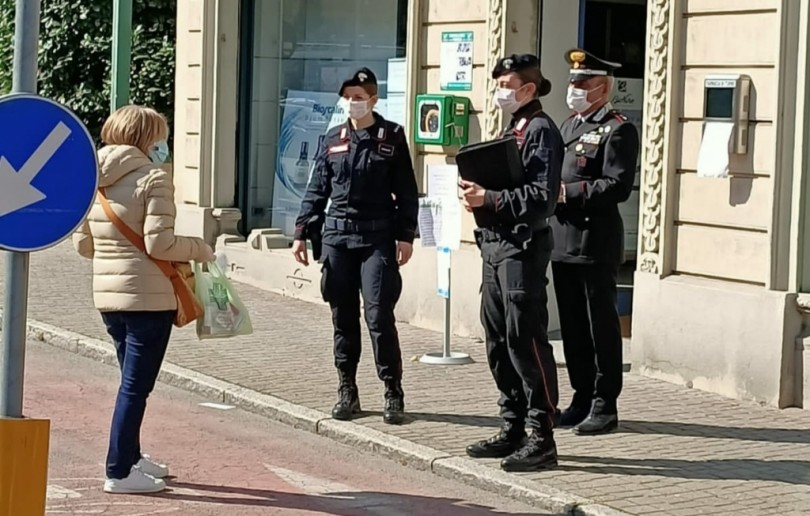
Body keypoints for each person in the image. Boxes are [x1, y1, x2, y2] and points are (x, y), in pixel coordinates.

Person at [73, 105, 215, 493]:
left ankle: (133, 457)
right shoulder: (154, 178)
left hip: (109, 299)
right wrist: (200, 248)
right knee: (136, 388)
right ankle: (119, 470)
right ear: (147, 139)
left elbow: (84, 245)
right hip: (149, 300)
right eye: (160, 138)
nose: (163, 145)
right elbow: (160, 244)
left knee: (130, 383)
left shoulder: (92, 176)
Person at [292, 67, 419, 426]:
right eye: (348, 97)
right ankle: (347, 388)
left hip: (376, 238)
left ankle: (392, 389)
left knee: (378, 315)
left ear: (373, 100)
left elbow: (407, 191)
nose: (353, 102)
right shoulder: (333, 138)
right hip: (338, 238)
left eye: (359, 97)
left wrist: (406, 235)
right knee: (342, 316)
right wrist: (301, 231)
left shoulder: (391, 136)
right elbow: (317, 188)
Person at [461, 54, 563, 472]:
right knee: (498, 340)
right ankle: (513, 425)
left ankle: (542, 437)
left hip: (522, 248)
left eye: (507, 85)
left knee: (526, 341)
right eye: (498, 84)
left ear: (528, 89)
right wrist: (477, 195)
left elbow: (542, 198)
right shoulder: (514, 128)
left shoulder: (541, 131)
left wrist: (490, 198)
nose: (500, 92)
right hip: (496, 246)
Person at [551, 49, 639, 436]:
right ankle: (581, 395)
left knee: (599, 325)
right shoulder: (568, 124)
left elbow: (616, 185)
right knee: (572, 327)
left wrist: (568, 193)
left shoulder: (618, 129)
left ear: (602, 88)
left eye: (583, 83)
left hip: (594, 241)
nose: (575, 89)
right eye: (573, 82)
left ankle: (605, 403)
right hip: (562, 240)